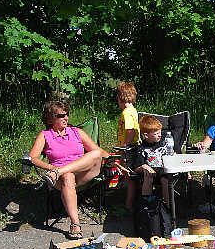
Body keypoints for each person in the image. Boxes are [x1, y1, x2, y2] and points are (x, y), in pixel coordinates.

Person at [29, 100, 104, 238]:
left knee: (96, 154)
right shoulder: (45, 135)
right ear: (51, 118)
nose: (66, 118)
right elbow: (33, 158)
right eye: (61, 115)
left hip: (81, 174)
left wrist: (117, 159)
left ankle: (60, 171)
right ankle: (75, 224)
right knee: (68, 176)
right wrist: (52, 167)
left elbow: (99, 152)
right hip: (61, 179)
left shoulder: (76, 132)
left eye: (67, 114)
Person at [131, 114, 170, 207]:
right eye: (156, 133)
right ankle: (146, 204)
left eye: (160, 132)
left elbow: (173, 153)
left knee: (165, 180)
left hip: (165, 170)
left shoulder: (165, 142)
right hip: (151, 172)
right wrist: (144, 167)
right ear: (146, 135)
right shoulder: (142, 148)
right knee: (148, 177)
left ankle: (168, 206)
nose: (160, 135)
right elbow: (136, 168)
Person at [115, 82, 141, 212]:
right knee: (129, 176)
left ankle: (129, 204)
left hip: (129, 149)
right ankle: (130, 201)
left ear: (120, 97)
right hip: (131, 147)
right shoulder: (133, 110)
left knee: (129, 176)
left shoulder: (127, 113)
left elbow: (130, 130)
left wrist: (124, 145)